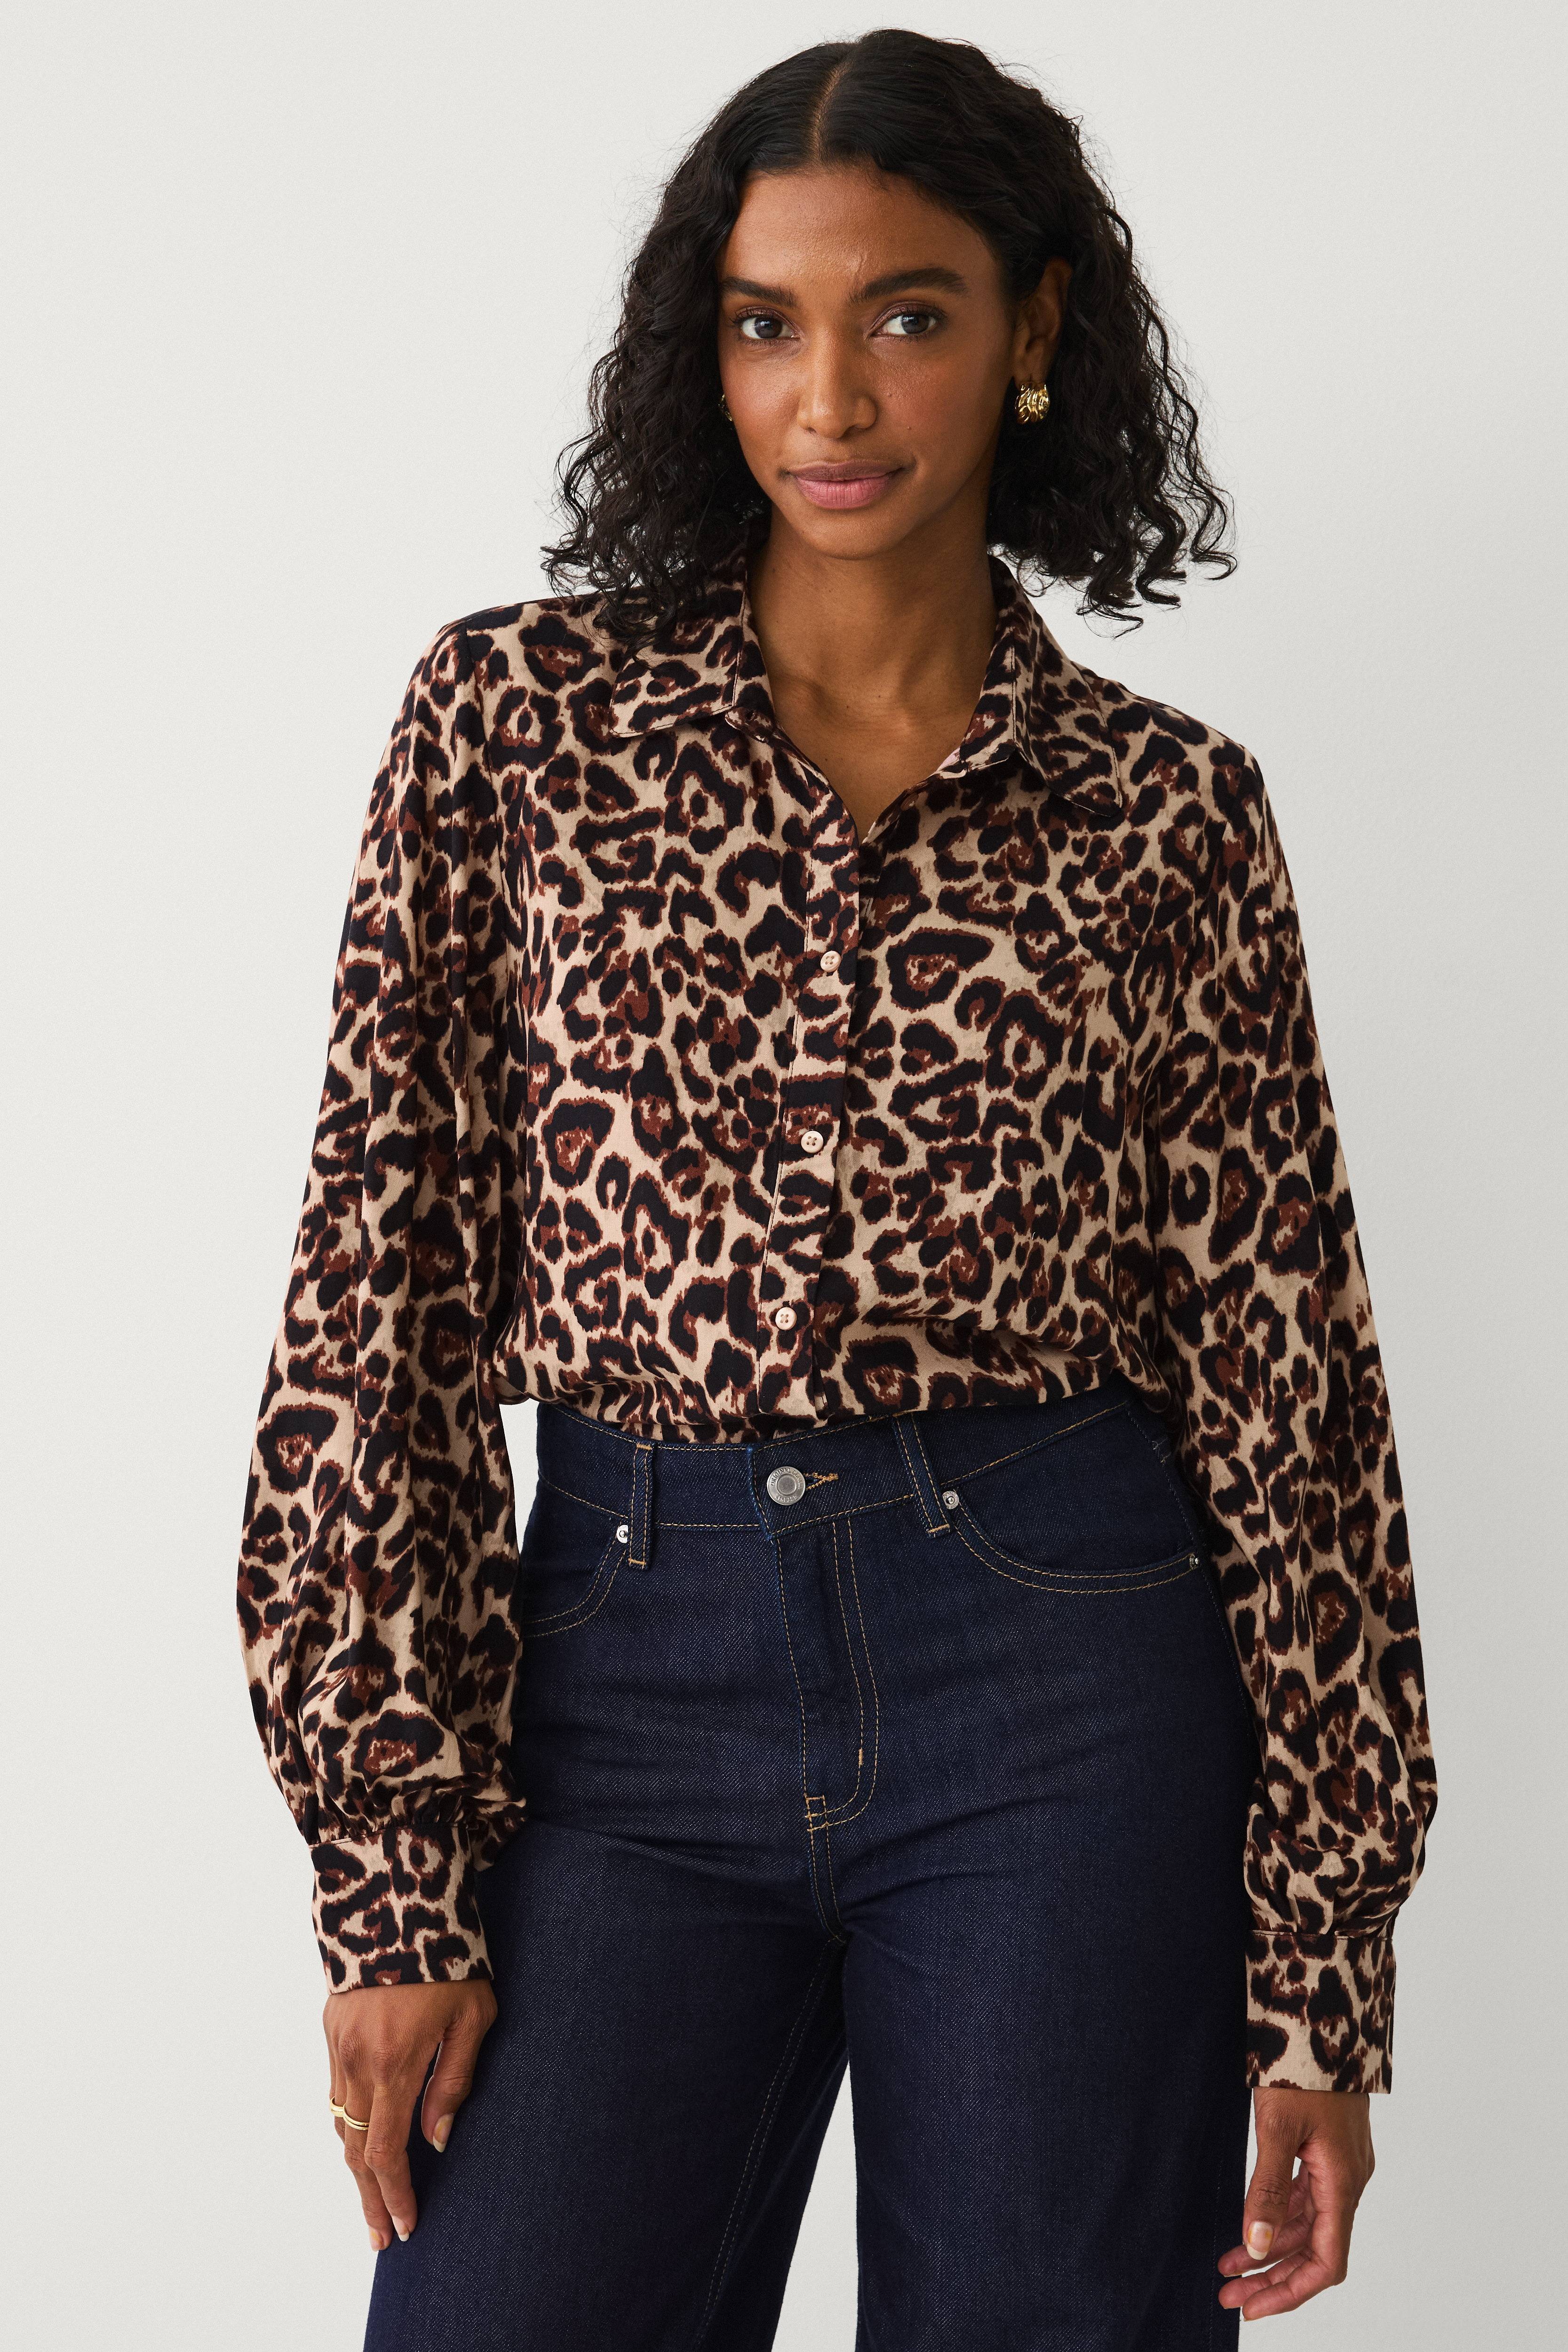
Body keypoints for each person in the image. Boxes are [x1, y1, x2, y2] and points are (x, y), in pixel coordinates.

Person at [238, 29, 1435, 2348]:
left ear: (1036, 327)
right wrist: (393, 1874)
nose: (833, 396)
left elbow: (1291, 1390)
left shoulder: (1166, 813)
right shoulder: (516, 726)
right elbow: (375, 1300)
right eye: (765, 322)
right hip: (620, 1663)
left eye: (907, 312)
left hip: (1061, 1670)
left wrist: (1323, 1972)